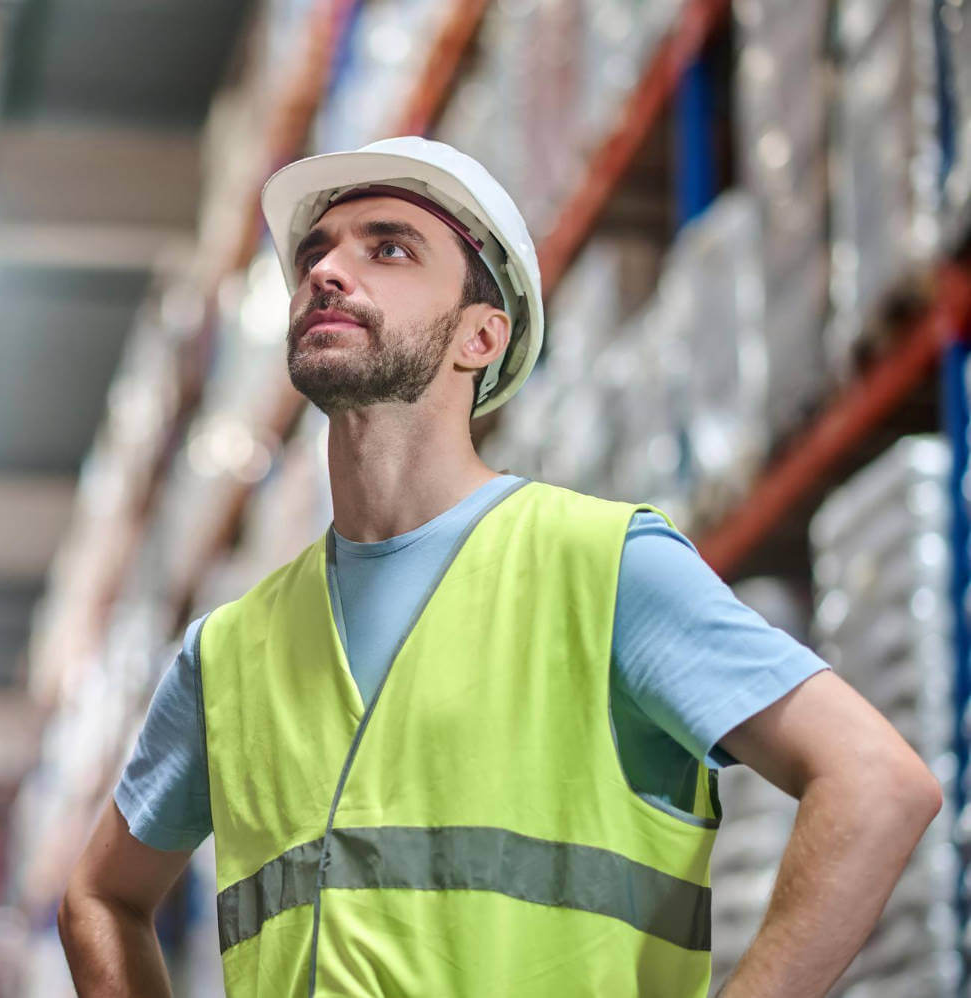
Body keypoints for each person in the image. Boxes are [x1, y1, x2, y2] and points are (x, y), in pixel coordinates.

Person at [56, 137, 941, 997]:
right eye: (316, 253)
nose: (325, 271)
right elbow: (99, 896)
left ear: (480, 336)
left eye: (389, 248)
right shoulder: (226, 657)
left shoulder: (601, 570)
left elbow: (877, 783)